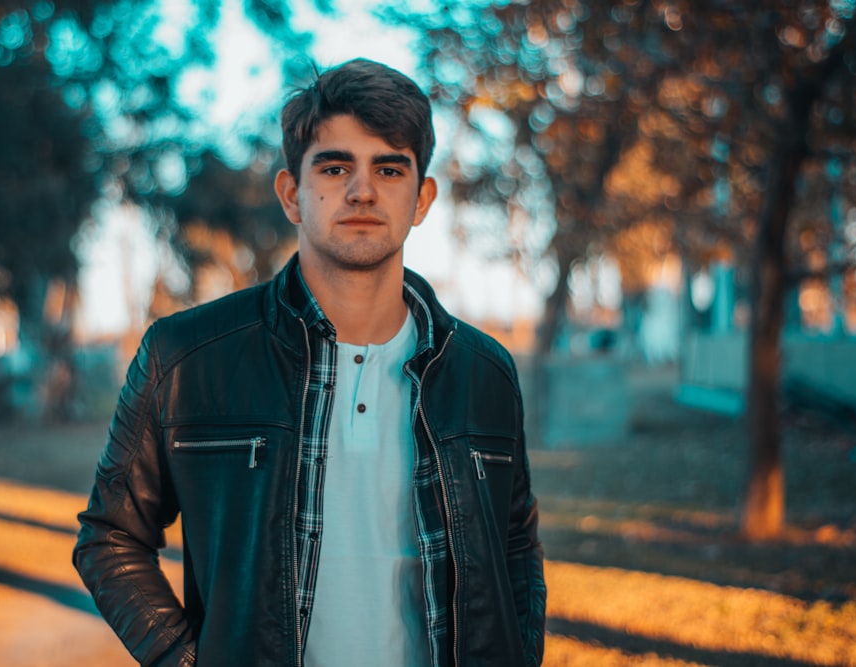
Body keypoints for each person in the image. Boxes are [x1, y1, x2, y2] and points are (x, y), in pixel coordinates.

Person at [74, 58, 546, 667]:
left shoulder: (484, 372)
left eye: (389, 167)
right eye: (335, 166)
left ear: (422, 197)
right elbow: (109, 537)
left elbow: (516, 549)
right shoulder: (185, 356)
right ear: (292, 194)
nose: (362, 190)